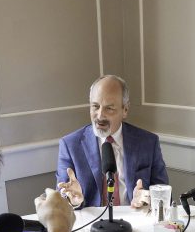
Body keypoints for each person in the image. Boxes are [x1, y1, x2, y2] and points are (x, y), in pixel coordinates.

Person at [56, 74, 169, 208]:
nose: (100, 116)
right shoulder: (70, 145)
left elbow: (164, 196)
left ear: (125, 110)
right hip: (91, 223)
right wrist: (73, 201)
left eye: (109, 108)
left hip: (134, 220)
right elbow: (61, 199)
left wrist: (148, 201)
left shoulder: (148, 142)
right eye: (95, 106)